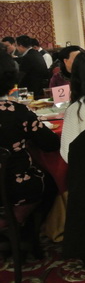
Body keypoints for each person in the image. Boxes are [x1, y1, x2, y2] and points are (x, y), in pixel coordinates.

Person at [0, 47, 59, 222]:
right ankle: (17, 224)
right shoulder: (16, 111)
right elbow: (50, 144)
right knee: (51, 182)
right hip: (13, 185)